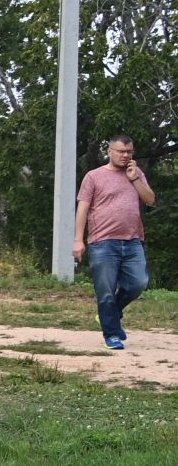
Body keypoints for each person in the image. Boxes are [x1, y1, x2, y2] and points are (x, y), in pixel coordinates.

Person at [73, 134, 156, 350]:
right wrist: (78, 240)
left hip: (133, 240)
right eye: (120, 151)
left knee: (138, 283)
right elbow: (82, 208)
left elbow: (150, 200)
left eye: (129, 152)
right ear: (109, 151)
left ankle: (111, 314)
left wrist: (134, 177)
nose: (125, 155)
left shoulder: (136, 174)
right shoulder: (94, 176)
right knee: (106, 290)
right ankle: (111, 334)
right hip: (103, 242)